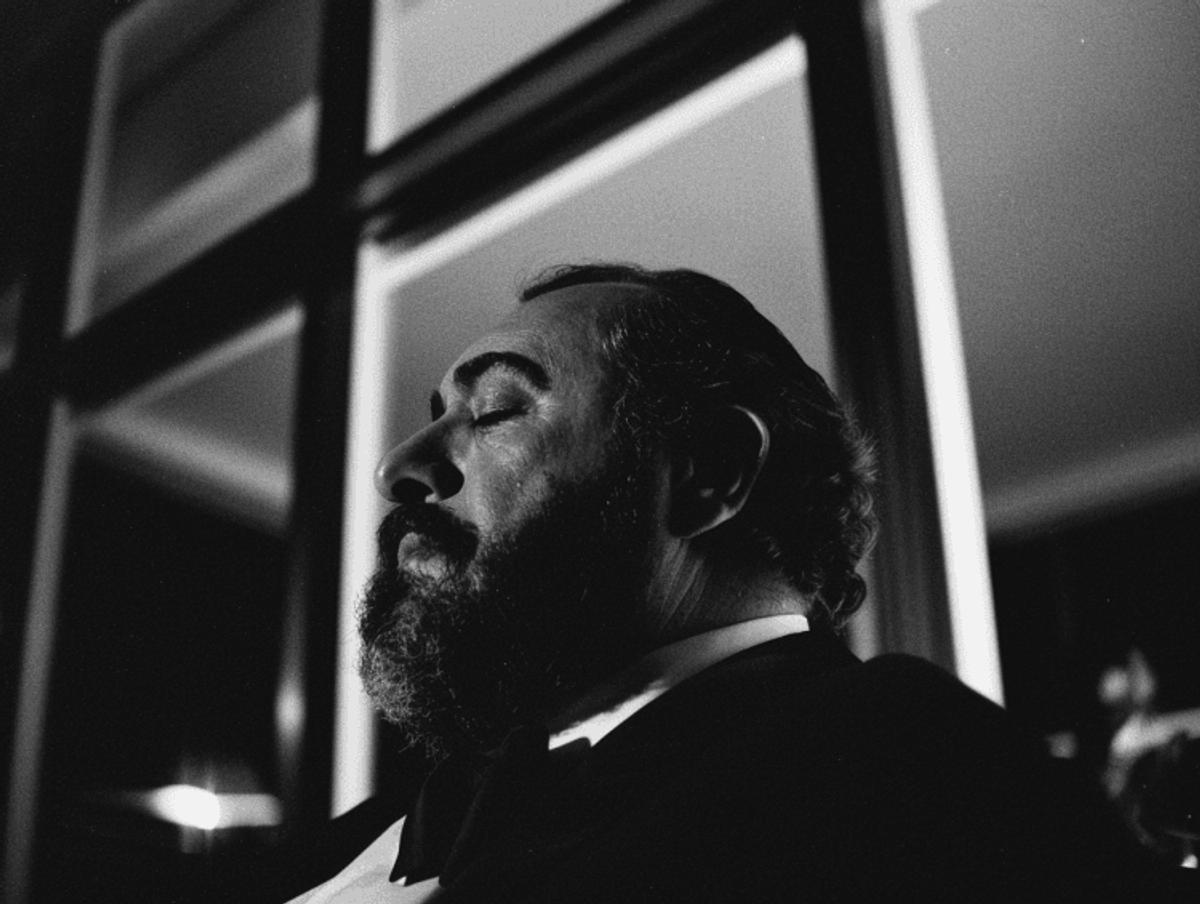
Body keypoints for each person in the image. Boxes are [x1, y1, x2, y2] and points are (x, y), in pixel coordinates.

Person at [276, 264, 1169, 903]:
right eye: (438, 418)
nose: (400, 466)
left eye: (498, 410)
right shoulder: (413, 812)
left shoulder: (912, 779)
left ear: (710, 471)